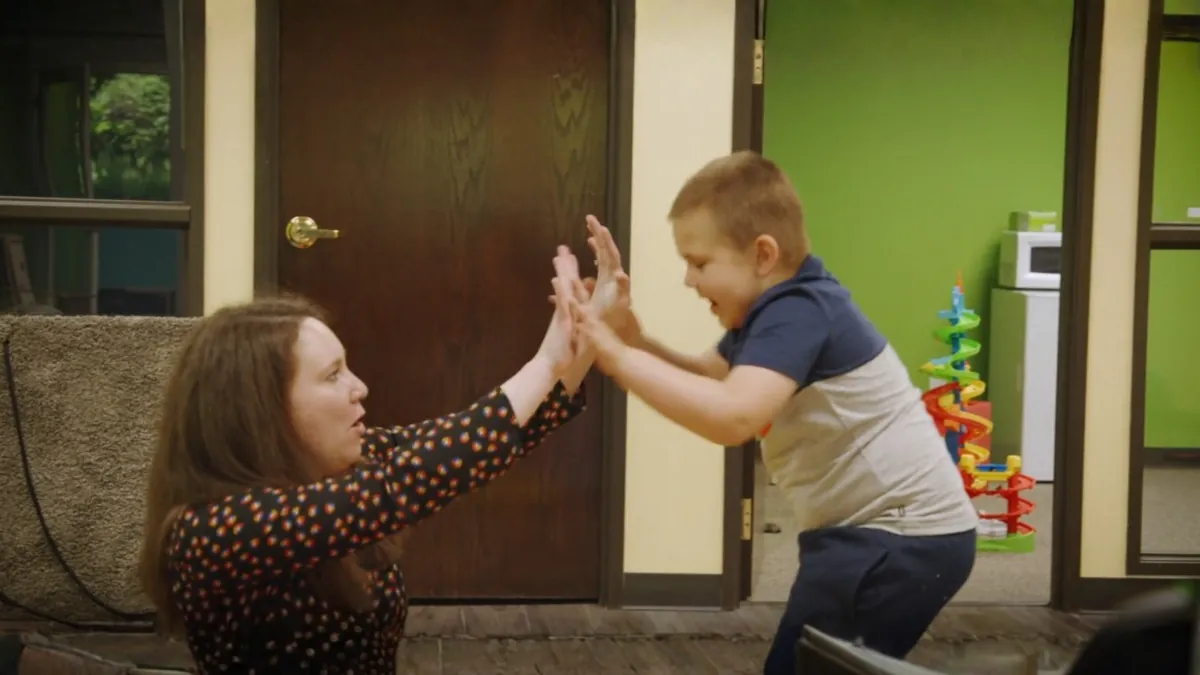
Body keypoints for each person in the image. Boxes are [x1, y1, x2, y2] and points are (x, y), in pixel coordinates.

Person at [565, 151, 979, 673]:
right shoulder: (775, 310)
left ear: (763, 255)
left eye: (699, 263)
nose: (689, 280)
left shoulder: (800, 310)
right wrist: (632, 340)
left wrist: (617, 357)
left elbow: (732, 418)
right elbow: (713, 380)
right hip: (877, 534)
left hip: (898, 536)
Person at [138, 244, 612, 674]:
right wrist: (546, 362)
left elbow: (471, 442)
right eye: (332, 376)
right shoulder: (211, 532)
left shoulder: (339, 463)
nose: (359, 387)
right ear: (261, 412)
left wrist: (585, 344)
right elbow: (405, 483)